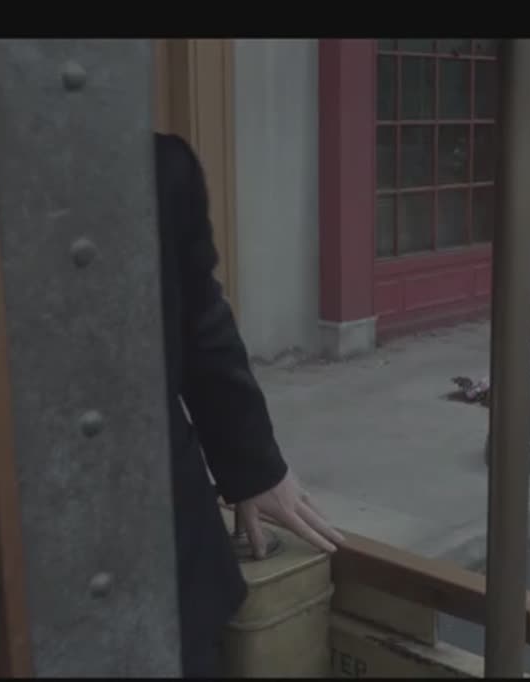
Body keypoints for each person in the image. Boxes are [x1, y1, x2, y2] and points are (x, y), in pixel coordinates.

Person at [154, 132, 345, 677]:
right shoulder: (158, 167)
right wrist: (253, 467)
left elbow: (198, 326)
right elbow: (201, 327)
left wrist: (254, 469)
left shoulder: (160, 169)